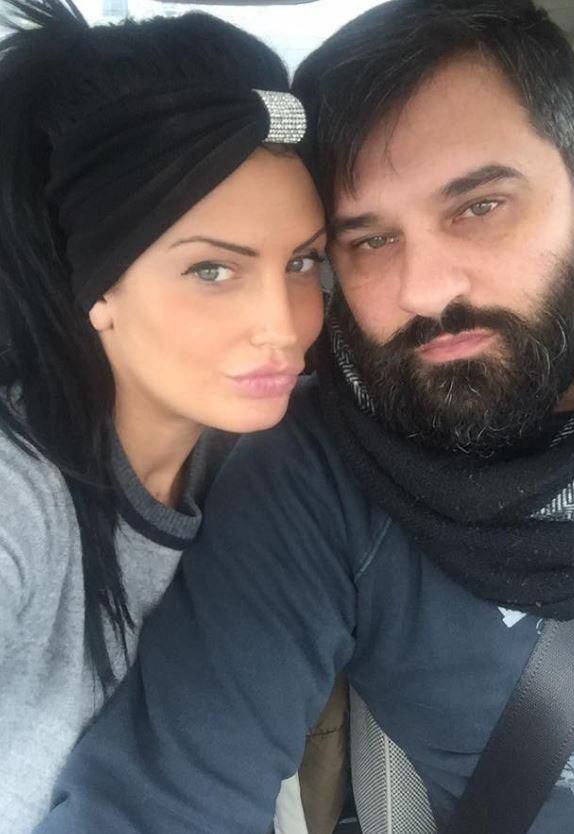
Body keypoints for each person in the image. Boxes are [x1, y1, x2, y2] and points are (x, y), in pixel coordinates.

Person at [33, 0, 574, 832]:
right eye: (368, 240)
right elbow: (164, 801)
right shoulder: (313, 476)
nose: (425, 291)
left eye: (479, 206)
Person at [0, 1, 340, 831]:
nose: (283, 325)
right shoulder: (19, 494)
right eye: (213, 271)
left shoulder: (268, 456)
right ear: (95, 283)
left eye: (303, 262)